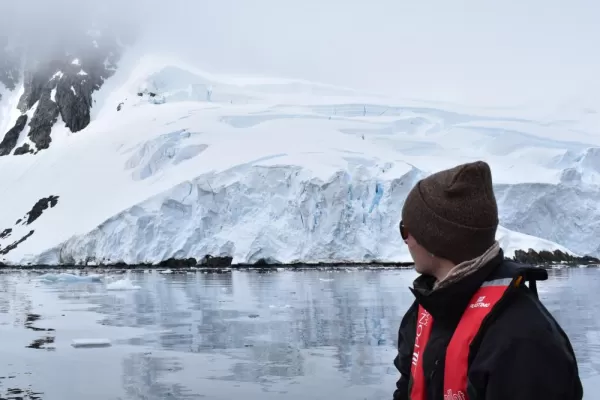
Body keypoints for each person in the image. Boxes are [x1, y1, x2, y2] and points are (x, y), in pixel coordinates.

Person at [393, 160, 583, 400]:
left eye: (406, 230)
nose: (406, 241)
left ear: (434, 241)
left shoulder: (524, 339)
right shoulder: (425, 310)